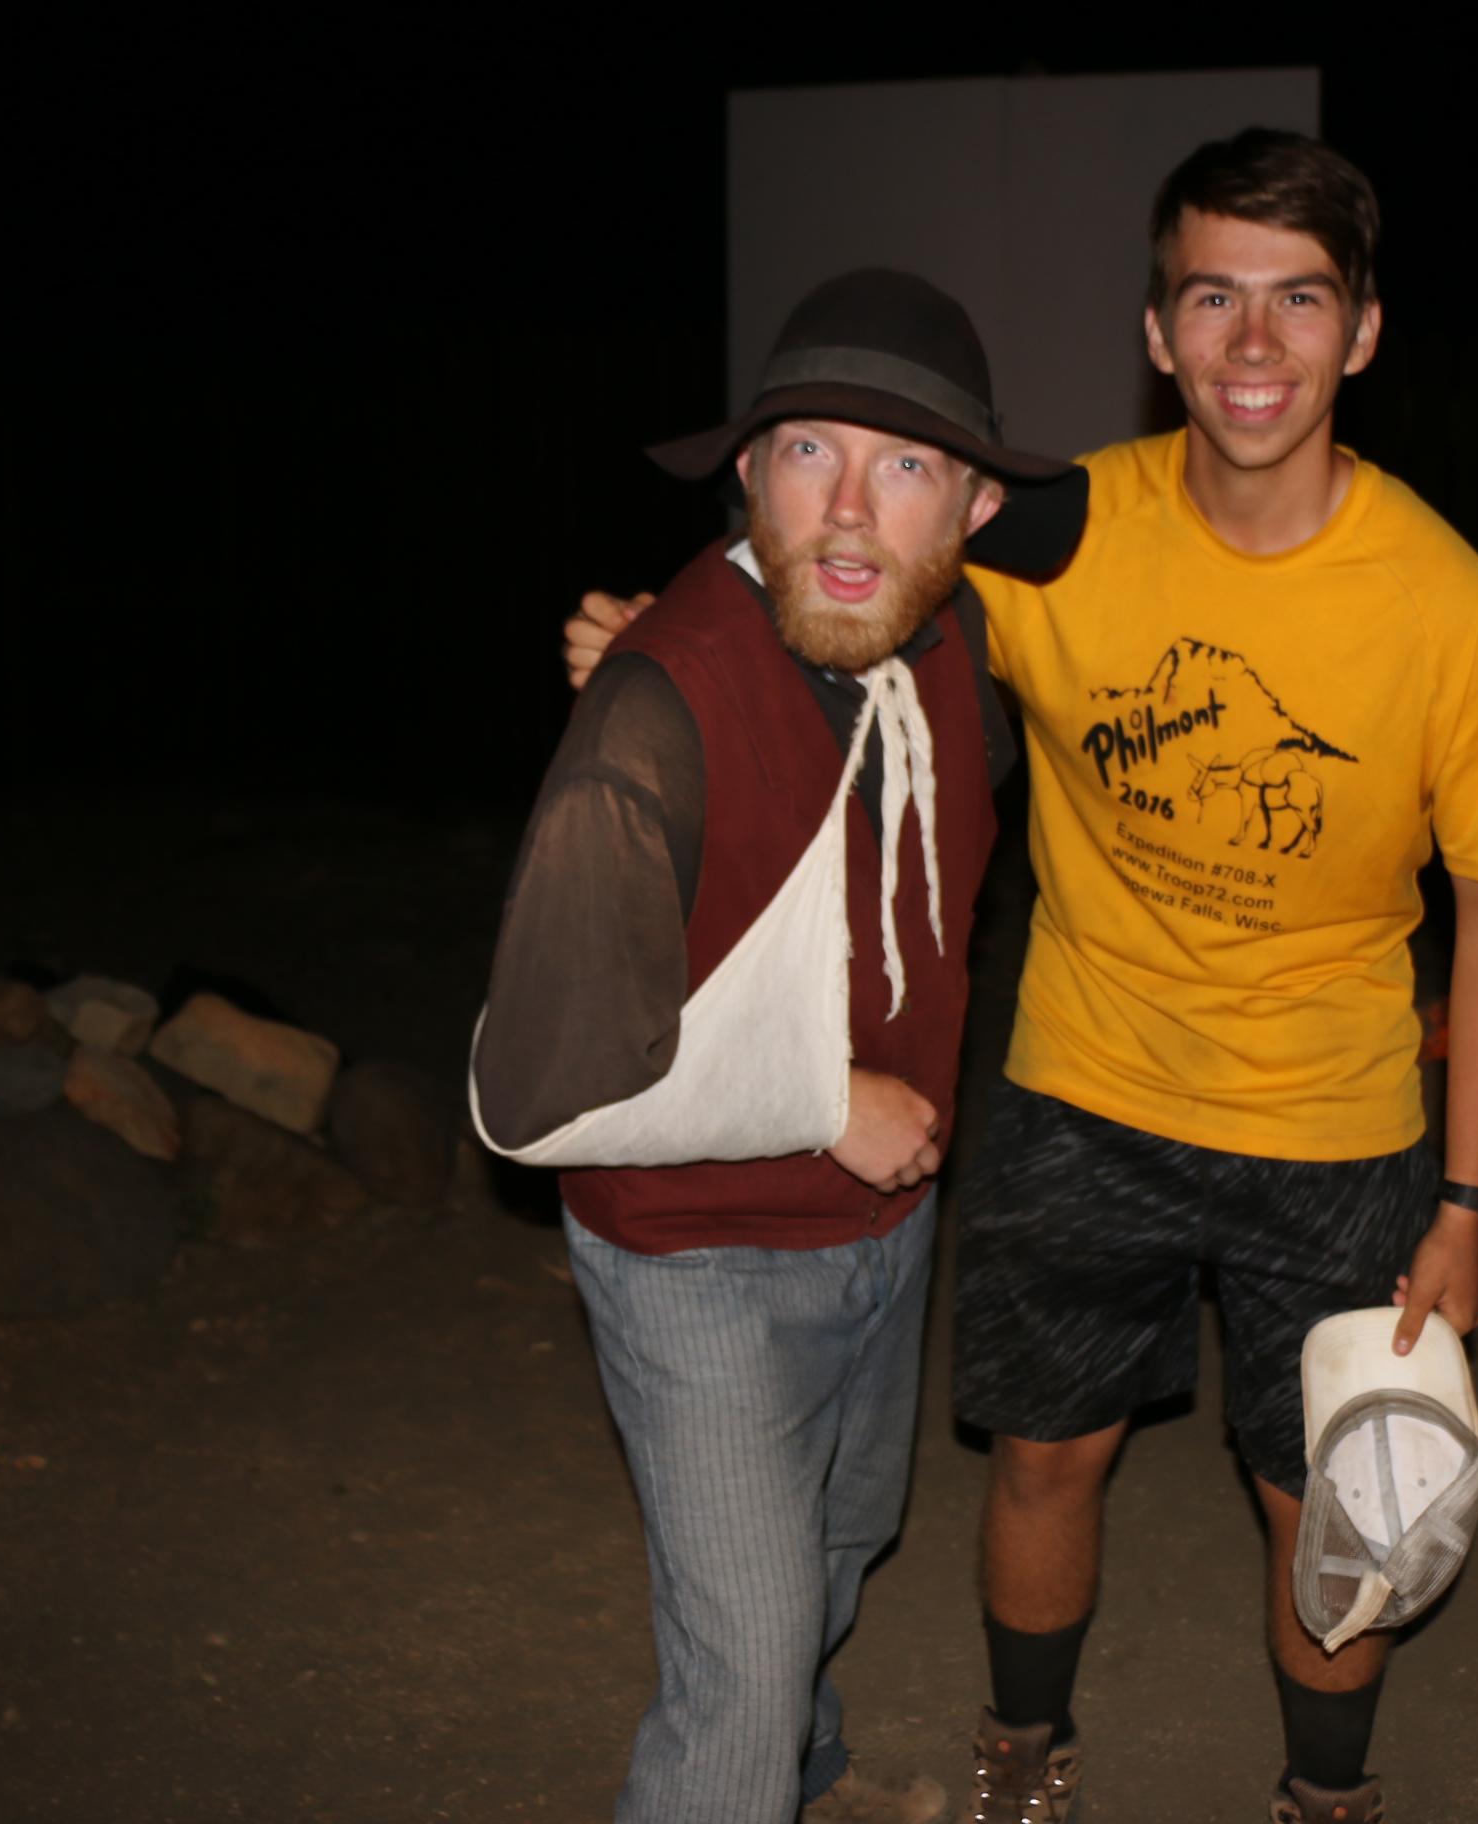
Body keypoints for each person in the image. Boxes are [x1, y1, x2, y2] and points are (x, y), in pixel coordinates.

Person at [567, 130, 1478, 1824]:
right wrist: (663, 647)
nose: (1256, 344)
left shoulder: (1449, 605)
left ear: (1364, 332)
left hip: (1331, 1127)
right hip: (1081, 1089)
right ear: (1158, 333)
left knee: (1327, 1493)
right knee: (1043, 1453)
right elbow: (852, 565)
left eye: (1301, 299)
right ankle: (1023, 1754)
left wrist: (1465, 1200)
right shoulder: (1058, 531)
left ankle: (1325, 1796)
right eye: (1215, 300)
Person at [477, 268, 1087, 1824]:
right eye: (812, 451)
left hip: (885, 1226)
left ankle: (799, 1769)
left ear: (973, 510)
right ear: (750, 473)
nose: (850, 511)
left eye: (906, 467)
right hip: (694, 1256)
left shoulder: (954, 646)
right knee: (742, 1671)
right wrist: (819, 1098)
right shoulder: (648, 726)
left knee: (839, 1542)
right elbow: (538, 1092)